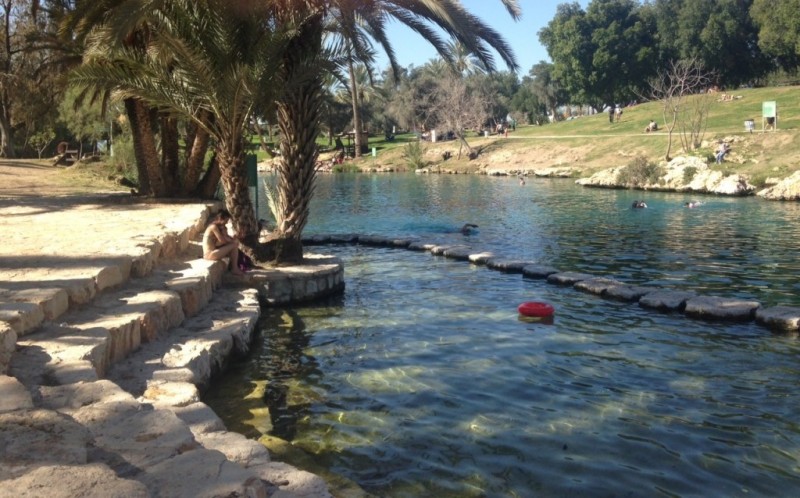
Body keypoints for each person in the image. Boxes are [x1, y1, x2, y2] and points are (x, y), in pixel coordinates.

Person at [203, 209, 243, 275]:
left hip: (214, 252)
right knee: (233, 245)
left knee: (234, 245)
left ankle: (234, 267)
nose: (226, 223)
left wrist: (236, 237)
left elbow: (225, 240)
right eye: (226, 221)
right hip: (209, 254)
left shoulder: (220, 227)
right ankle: (234, 268)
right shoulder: (213, 227)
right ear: (220, 219)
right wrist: (231, 240)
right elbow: (222, 240)